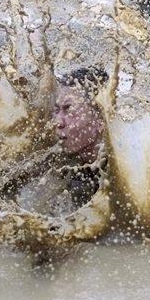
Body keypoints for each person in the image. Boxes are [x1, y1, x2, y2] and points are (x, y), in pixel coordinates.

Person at [51, 66, 109, 207]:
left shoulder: (122, 174)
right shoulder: (61, 167)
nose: (57, 122)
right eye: (56, 110)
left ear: (100, 118)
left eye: (68, 109)